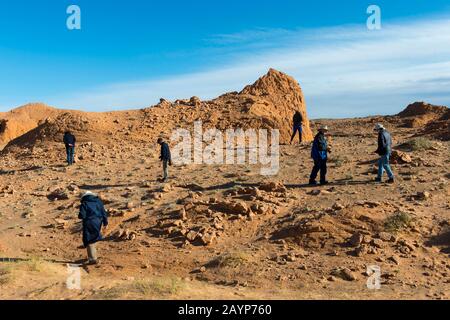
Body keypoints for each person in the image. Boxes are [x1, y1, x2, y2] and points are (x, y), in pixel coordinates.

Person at [78, 191, 108, 265]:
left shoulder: (84, 203)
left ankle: (92, 259)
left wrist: (80, 216)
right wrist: (105, 223)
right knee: (95, 237)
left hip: (89, 222)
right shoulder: (99, 202)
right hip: (98, 222)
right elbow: (104, 213)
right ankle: (93, 255)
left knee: (89, 239)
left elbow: (82, 215)